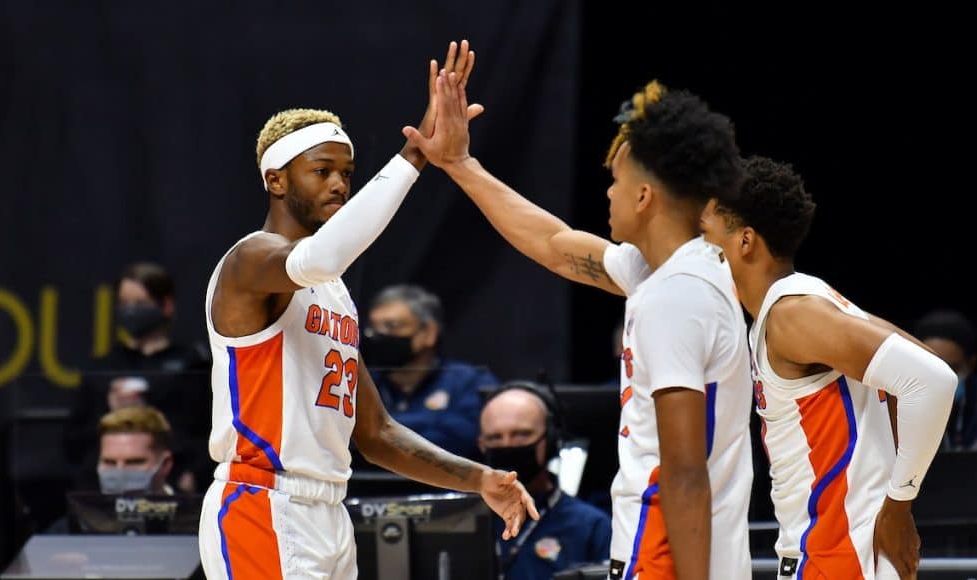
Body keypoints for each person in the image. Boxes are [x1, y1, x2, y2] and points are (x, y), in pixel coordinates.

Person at [197, 41, 537, 580]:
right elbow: (324, 253)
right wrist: (419, 153)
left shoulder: (333, 291)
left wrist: (478, 479)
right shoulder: (250, 259)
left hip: (329, 513)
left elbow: (377, 434)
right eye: (321, 170)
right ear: (276, 180)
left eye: (347, 173)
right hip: (261, 503)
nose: (338, 183)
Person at [405, 75, 752, 578]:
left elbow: (683, 472)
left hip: (668, 551)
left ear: (644, 197)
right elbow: (555, 244)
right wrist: (460, 164)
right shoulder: (674, 272)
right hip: (681, 544)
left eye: (615, 180)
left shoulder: (675, 296)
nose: (607, 192)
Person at [700, 155, 957, 579]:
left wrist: (897, 505)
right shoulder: (803, 301)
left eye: (705, 233)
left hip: (840, 558)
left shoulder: (792, 314)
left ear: (744, 241)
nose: (698, 249)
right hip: (829, 553)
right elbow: (918, 371)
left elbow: (933, 380)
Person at [65, 261, 210, 494]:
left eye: (140, 304)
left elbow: (209, 434)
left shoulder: (193, 365)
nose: (131, 311)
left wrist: (193, 476)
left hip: (177, 487)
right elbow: (73, 443)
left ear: (166, 305)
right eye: (124, 304)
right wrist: (111, 410)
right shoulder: (103, 368)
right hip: (104, 491)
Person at [480, 381, 611, 580]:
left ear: (551, 438)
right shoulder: (460, 520)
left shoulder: (591, 526)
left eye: (521, 435)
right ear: (481, 445)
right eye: (495, 438)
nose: (507, 445)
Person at [363, 283, 498, 460]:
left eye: (392, 326)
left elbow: (461, 440)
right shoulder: (360, 383)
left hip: (446, 486)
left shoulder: (470, 383)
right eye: (374, 327)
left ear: (429, 332)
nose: (378, 335)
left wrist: (382, 429)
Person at [46, 405, 177, 533]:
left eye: (134, 462)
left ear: (165, 464)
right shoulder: (72, 529)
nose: (119, 472)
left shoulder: (194, 524)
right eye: (109, 462)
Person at [912, 309, 977, 453]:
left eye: (952, 368)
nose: (942, 379)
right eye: (931, 367)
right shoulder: (898, 404)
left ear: (971, 363)